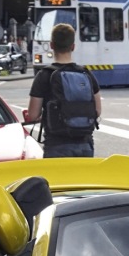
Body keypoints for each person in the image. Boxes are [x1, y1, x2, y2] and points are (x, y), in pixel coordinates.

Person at [24, 23, 101, 158]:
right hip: (85, 144)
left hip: (56, 145)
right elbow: (97, 111)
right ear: (73, 46)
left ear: (52, 45)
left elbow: (33, 115)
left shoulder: (44, 75)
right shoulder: (86, 74)